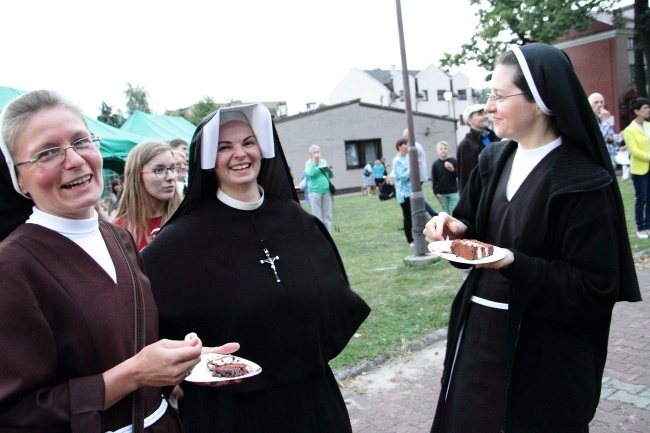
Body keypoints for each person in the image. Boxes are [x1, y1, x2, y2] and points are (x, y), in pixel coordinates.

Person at [424, 44, 641, 433]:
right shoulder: (494, 161)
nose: (488, 107)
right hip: (478, 338)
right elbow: (472, 229)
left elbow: (593, 287)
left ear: (540, 101)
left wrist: (514, 263)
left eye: (498, 95)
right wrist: (454, 232)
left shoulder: (582, 181)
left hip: (543, 355)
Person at [0, 89, 239, 432]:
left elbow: (126, 345)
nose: (74, 161)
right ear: (18, 179)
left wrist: (178, 365)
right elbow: (15, 413)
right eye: (48, 152)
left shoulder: (117, 237)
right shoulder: (12, 267)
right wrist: (134, 374)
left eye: (81, 141)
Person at [140, 103, 370, 433]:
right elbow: (146, 320)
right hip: (232, 411)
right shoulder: (178, 241)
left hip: (309, 398)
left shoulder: (298, 222)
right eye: (225, 147)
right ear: (207, 159)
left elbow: (333, 297)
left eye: (249, 142)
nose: (240, 154)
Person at [112, 140, 183, 250]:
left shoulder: (188, 217)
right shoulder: (117, 232)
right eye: (159, 170)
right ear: (137, 176)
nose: (171, 177)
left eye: (173, 168)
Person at [457, 104, 499, 194]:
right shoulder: (466, 145)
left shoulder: (496, 138)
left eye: (485, 113)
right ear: (470, 121)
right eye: (480, 114)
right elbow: (466, 179)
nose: (485, 116)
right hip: (483, 194)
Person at [623, 97, 650, 239]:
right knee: (642, 198)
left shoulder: (648, 126)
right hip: (639, 170)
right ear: (637, 111)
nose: (648, 110)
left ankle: (648, 225)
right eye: (645, 108)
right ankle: (640, 227)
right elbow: (634, 151)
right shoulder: (629, 130)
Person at [403, 128, 437, 217]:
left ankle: (432, 213)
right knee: (418, 197)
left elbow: (415, 163)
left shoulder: (414, 147)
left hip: (417, 177)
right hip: (418, 176)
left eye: (405, 136)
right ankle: (423, 214)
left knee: (416, 197)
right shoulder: (416, 146)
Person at [304, 144, 334, 231]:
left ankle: (328, 236)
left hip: (326, 190)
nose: (317, 154)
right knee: (317, 217)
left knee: (327, 216)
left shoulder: (323, 161)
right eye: (315, 152)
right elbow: (310, 174)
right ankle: (320, 236)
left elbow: (331, 175)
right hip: (315, 191)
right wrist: (314, 162)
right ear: (311, 155)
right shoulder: (309, 163)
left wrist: (330, 170)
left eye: (318, 151)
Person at [393, 137, 416, 247]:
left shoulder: (408, 158)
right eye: (405, 144)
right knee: (408, 216)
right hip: (403, 194)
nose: (407, 146)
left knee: (416, 215)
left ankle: (418, 236)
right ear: (399, 147)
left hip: (413, 191)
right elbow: (402, 177)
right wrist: (412, 167)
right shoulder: (396, 161)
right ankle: (410, 240)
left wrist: (417, 165)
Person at [588, 93, 618, 168]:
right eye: (596, 102)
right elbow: (598, 138)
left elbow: (616, 140)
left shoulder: (602, 120)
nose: (600, 105)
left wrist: (611, 139)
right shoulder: (587, 120)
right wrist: (605, 122)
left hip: (610, 162)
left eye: (602, 102)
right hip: (597, 164)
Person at [431, 140, 459, 214]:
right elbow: (434, 178)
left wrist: (452, 169)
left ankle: (456, 224)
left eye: (445, 149)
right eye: (441, 149)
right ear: (437, 151)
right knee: (445, 211)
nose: (443, 151)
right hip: (442, 192)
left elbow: (459, 174)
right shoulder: (435, 164)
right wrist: (435, 192)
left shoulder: (453, 161)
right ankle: (447, 225)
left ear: (448, 150)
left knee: (456, 210)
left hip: (453, 191)